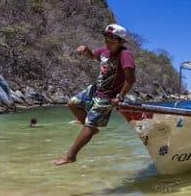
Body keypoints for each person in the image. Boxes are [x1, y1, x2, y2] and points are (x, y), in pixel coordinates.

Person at [54, 23, 136, 165]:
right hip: (95, 89)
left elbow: (130, 79)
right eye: (106, 40)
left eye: (112, 42)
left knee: (89, 125)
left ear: (121, 42)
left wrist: (120, 97)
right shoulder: (104, 50)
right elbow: (93, 55)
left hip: (108, 97)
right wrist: (86, 50)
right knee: (72, 103)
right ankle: (91, 129)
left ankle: (71, 156)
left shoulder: (125, 55)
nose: (108, 44)